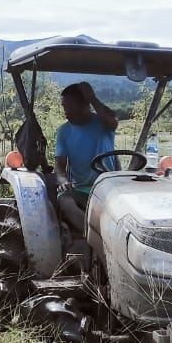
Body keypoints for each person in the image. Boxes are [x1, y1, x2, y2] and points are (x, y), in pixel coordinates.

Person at [54, 82, 119, 233]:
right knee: (64, 199)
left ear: (85, 105)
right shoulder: (64, 131)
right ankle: (93, 235)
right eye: (64, 107)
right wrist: (63, 181)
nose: (66, 112)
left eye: (70, 107)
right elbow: (59, 165)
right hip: (81, 189)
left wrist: (93, 98)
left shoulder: (103, 123)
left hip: (109, 187)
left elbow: (112, 121)